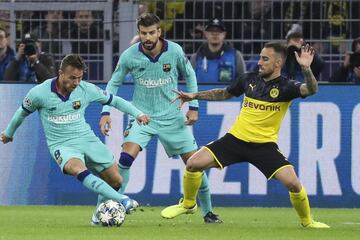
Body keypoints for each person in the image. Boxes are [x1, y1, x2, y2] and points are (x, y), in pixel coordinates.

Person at [161, 42, 330, 229]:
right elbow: (223, 94)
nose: (259, 62)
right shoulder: (248, 79)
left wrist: (306, 68)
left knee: (293, 184)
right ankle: (188, 204)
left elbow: (312, 89)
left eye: (265, 59)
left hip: (264, 146)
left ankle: (307, 221)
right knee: (193, 164)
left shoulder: (286, 87)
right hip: (235, 140)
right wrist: (194, 96)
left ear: (278, 63)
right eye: (260, 57)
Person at [100, 13, 222, 223]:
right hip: (142, 116)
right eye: (143, 33)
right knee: (125, 159)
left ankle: (208, 212)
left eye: (151, 33)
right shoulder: (130, 55)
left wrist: (194, 106)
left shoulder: (174, 51)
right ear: (139, 33)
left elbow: (190, 75)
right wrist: (105, 111)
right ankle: (113, 205)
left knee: (195, 164)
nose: (147, 37)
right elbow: (113, 83)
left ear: (159, 32)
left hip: (172, 117)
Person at [0, 54, 150, 224]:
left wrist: (138, 114)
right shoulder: (39, 93)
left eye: (79, 78)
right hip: (61, 145)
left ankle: (98, 215)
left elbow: (114, 100)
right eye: (72, 78)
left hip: (86, 139)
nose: (76, 82)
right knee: (76, 167)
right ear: (60, 73)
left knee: (116, 180)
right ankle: (123, 200)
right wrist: (9, 133)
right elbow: (21, 113)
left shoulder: (86, 89)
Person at [190, 18, 246, 83]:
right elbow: (189, 82)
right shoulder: (196, 57)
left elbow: (244, 81)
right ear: (205, 34)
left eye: (219, 31)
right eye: (211, 31)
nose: (215, 34)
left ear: (224, 34)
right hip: (200, 93)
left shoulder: (236, 55)